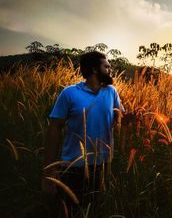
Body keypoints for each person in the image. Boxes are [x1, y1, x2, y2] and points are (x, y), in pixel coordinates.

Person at [40, 51, 134, 216]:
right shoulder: (69, 93)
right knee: (71, 212)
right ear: (94, 70)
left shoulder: (111, 92)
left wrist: (133, 117)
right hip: (73, 166)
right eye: (106, 66)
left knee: (96, 210)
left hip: (103, 165)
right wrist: (49, 170)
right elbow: (54, 128)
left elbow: (121, 119)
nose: (110, 69)